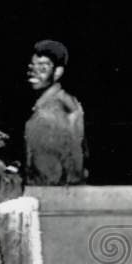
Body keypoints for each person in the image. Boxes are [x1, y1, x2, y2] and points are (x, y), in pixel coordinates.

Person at [24, 39, 87, 185]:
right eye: (32, 66)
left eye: (43, 67)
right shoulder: (43, 105)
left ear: (58, 72)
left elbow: (72, 164)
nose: (34, 71)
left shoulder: (60, 107)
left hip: (53, 194)